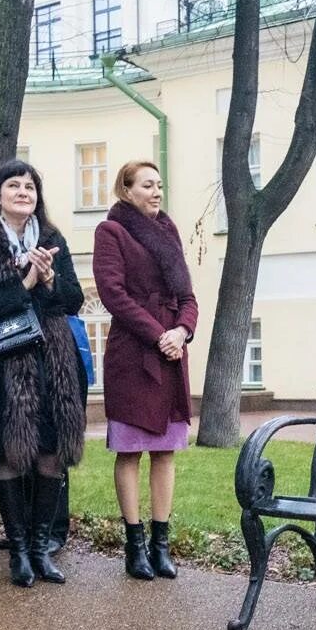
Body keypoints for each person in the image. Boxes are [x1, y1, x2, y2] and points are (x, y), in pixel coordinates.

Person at [0, 160, 85, 588]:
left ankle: (42, 549)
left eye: (30, 186)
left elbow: (74, 299)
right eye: (14, 185)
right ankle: (19, 552)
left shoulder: (52, 237)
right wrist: (22, 285)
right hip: (0, 365)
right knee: (8, 454)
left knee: (49, 452)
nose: (24, 191)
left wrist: (47, 283)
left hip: (53, 363)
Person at [92, 161, 198, 580]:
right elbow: (112, 294)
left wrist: (182, 331)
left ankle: (161, 544)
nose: (157, 191)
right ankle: (134, 545)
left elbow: (187, 295)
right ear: (127, 189)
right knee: (130, 449)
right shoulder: (111, 232)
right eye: (148, 185)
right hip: (133, 353)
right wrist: (159, 334)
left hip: (171, 351)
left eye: (160, 184)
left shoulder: (169, 232)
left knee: (165, 450)